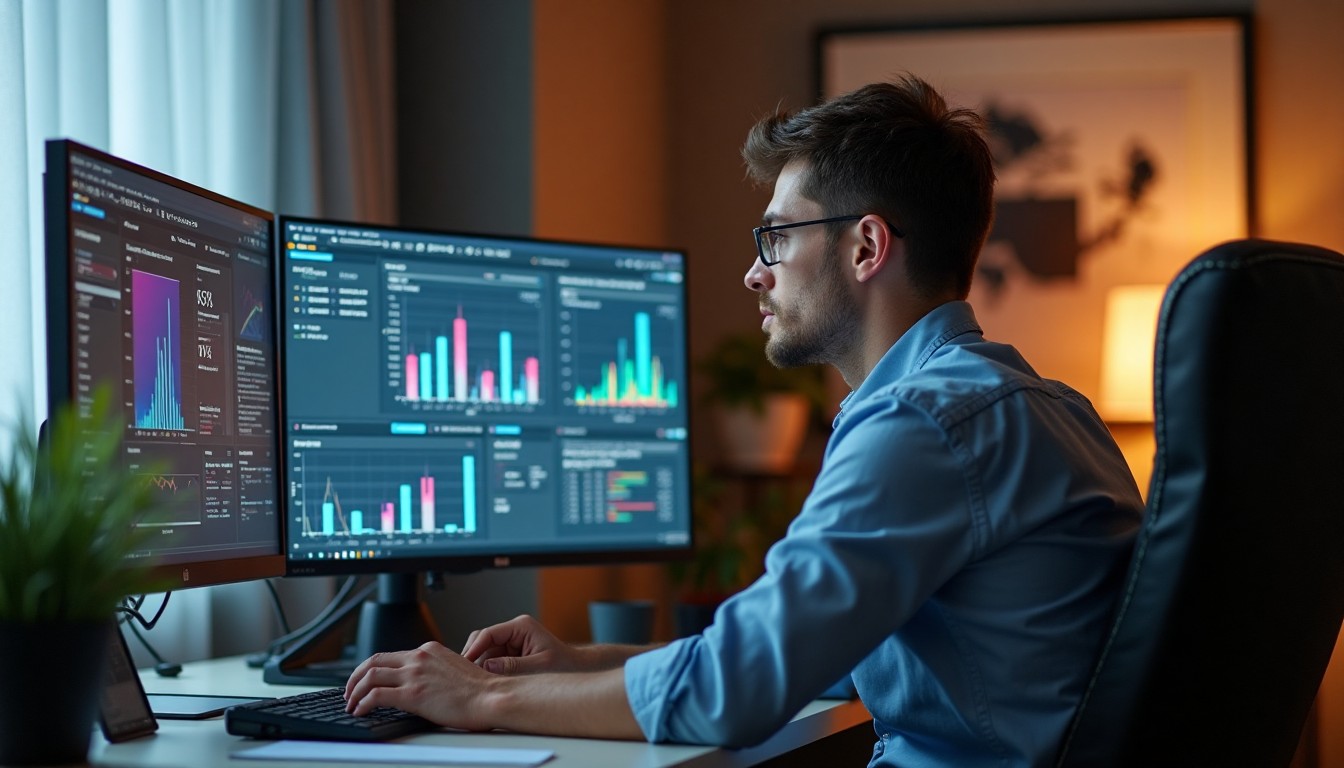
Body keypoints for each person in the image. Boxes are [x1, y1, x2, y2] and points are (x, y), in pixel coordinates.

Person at [343, 74, 1144, 766]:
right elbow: (820, 658)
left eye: (778, 236)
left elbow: (734, 691)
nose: (754, 272)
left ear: (866, 247)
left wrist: (478, 701)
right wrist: (581, 662)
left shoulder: (923, 424)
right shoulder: (1039, 407)